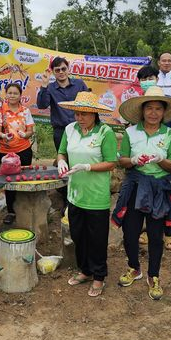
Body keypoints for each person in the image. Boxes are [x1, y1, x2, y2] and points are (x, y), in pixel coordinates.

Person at [113, 86, 171, 299]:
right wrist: (133, 161)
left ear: (164, 112)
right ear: (142, 110)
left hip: (159, 189)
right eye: (149, 108)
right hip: (135, 186)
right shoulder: (130, 132)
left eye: (158, 108)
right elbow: (121, 161)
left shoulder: (170, 135)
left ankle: (153, 275)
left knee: (156, 235)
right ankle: (134, 267)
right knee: (130, 232)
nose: (153, 113)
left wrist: (161, 160)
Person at [56, 92, 117, 297]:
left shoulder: (104, 132)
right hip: (75, 193)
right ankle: (85, 270)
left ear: (94, 114)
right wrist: (62, 160)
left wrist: (88, 166)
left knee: (97, 238)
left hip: (96, 196)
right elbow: (61, 151)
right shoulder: (69, 129)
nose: (79, 117)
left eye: (84, 113)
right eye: (77, 113)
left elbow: (111, 162)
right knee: (78, 235)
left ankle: (99, 276)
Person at [0, 83, 35, 224]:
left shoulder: (25, 111)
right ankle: (11, 211)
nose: (12, 95)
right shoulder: (0, 111)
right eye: (9, 93)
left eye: (15, 93)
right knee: (9, 182)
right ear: (6, 94)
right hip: (6, 152)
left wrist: (25, 134)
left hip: (24, 150)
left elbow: (30, 131)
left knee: (24, 179)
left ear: (20, 95)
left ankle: (25, 207)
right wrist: (4, 136)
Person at [36, 56, 88, 151]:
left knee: (81, 158)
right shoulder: (50, 88)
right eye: (57, 70)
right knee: (63, 160)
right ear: (53, 72)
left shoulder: (79, 84)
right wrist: (44, 85)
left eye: (63, 69)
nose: (61, 72)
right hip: (60, 131)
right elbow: (42, 105)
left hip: (80, 128)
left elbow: (89, 104)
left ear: (68, 69)